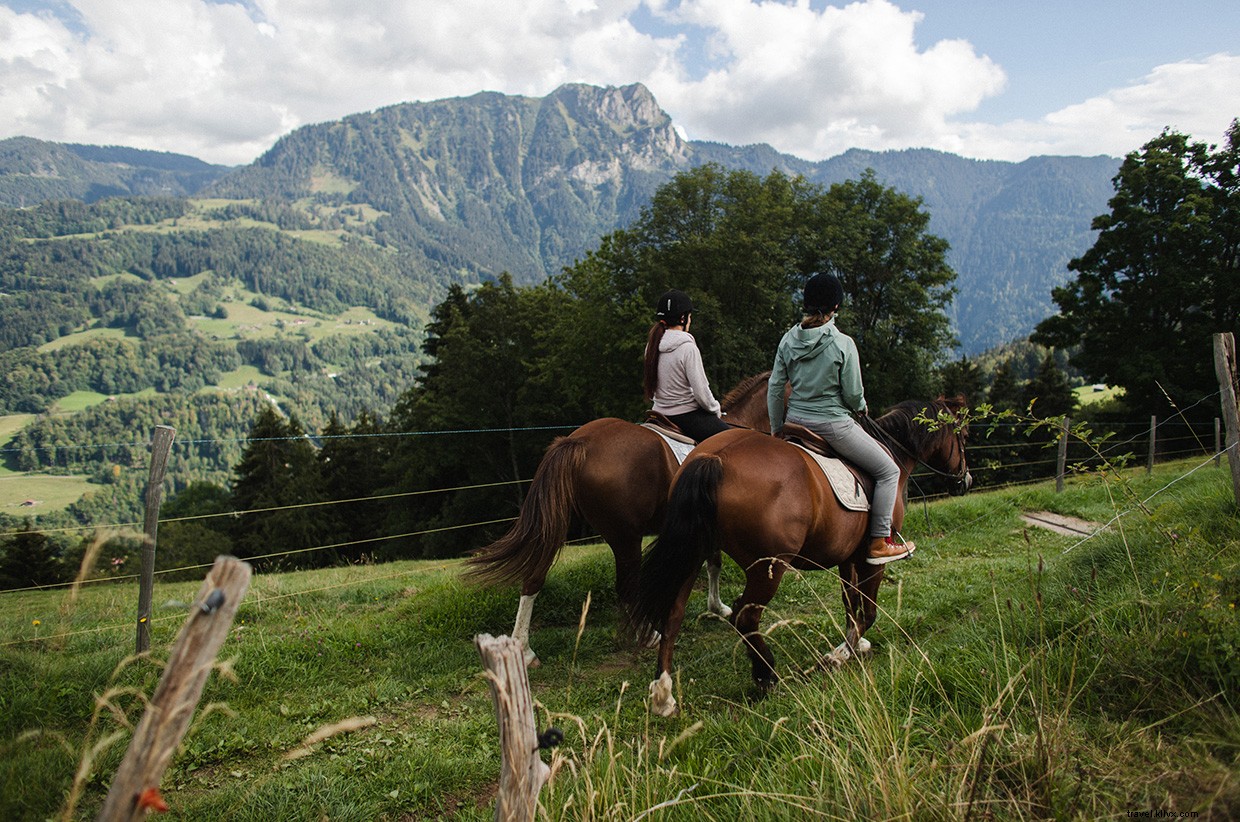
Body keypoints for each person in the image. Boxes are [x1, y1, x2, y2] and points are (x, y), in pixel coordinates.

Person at [766, 273, 914, 565]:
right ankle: (879, 542)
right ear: (835, 306)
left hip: (795, 422)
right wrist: (861, 407)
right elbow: (853, 393)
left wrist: (776, 429)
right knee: (888, 471)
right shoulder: (843, 343)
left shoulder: (788, 340)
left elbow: (775, 387)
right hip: (833, 425)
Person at [644, 289, 731, 443]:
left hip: (657, 413)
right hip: (686, 416)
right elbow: (701, 392)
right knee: (732, 440)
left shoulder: (651, 346)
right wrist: (715, 409)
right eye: (690, 316)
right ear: (683, 318)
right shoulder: (687, 348)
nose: (690, 320)